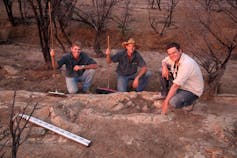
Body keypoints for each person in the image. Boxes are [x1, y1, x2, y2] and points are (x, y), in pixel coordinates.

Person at [159, 42, 204, 114]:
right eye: (169, 54)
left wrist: (165, 103)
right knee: (162, 71)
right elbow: (164, 61)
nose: (172, 55)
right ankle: (164, 94)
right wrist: (164, 67)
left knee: (173, 102)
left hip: (191, 90)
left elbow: (176, 85)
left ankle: (190, 103)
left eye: (174, 52)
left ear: (180, 51)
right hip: (182, 86)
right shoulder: (173, 58)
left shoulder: (187, 63)